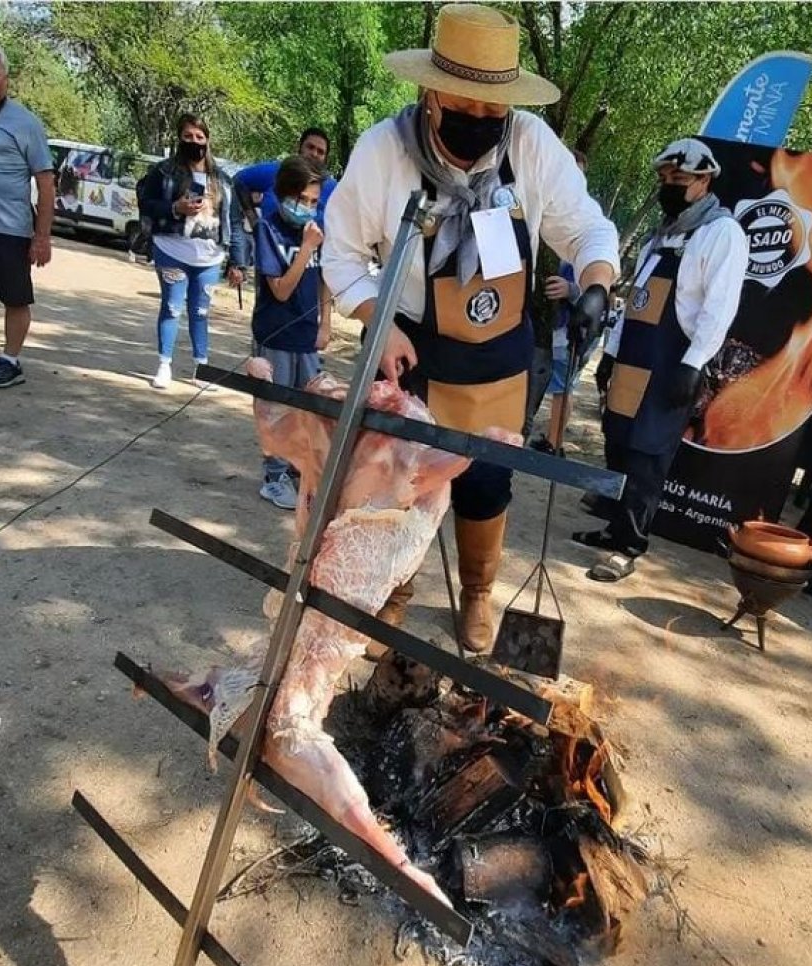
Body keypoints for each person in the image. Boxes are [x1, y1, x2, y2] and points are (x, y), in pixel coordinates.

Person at [322, 3, 619, 656]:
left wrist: (597, 280)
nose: (482, 122)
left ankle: (479, 591)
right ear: (432, 92)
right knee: (400, 481)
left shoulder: (532, 145)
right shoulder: (384, 152)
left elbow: (586, 226)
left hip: (499, 359)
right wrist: (376, 321)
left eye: (495, 111)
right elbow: (340, 252)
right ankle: (393, 593)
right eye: (468, 105)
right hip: (412, 350)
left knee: (486, 483)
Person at [573, 137, 749, 582]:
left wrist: (693, 364)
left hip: (672, 362)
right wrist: (611, 353)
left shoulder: (721, 232)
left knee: (648, 456)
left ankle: (629, 544)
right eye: (665, 179)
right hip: (634, 358)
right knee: (618, 445)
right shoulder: (663, 233)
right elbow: (635, 300)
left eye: (680, 179)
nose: (669, 186)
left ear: (705, 180)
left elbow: (719, 307)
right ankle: (614, 529)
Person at [138, 113, 243, 390]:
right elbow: (146, 204)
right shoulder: (163, 172)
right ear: (179, 139)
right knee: (172, 307)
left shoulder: (222, 180)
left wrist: (238, 262)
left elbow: (234, 222)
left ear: (207, 141)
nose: (194, 142)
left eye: (199, 137)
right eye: (188, 137)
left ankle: (201, 368)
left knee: (200, 312)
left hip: (210, 258)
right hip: (172, 250)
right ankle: (164, 365)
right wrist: (175, 208)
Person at [251, 155, 331, 510]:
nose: (309, 209)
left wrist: (325, 323)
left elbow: (325, 279)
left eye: (314, 202)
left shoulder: (316, 231)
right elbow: (280, 289)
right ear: (285, 194)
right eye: (303, 200)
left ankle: (301, 469)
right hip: (275, 335)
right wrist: (306, 250)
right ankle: (274, 476)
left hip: (306, 335)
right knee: (276, 408)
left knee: (310, 409)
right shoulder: (268, 230)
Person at [528, 148, 593, 454]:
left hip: (567, 328)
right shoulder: (534, 213)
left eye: (577, 173)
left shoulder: (590, 226)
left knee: (562, 387)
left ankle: (555, 442)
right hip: (534, 325)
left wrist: (571, 290)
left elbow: (601, 286)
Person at [0, 45, 54, 389]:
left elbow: (46, 185)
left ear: (4, 76)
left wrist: (42, 237)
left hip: (9, 229)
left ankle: (9, 360)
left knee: (15, 297)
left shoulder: (25, 123)